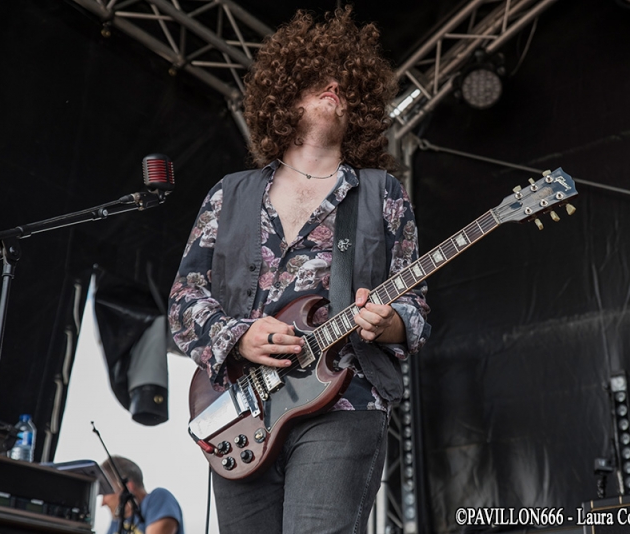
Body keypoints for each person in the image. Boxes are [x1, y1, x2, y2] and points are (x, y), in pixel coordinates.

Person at [168, 6, 431, 533]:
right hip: (242, 414)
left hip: (345, 405)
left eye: (346, 85)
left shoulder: (382, 194)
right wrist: (238, 337)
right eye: (317, 80)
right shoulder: (228, 194)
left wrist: (388, 322)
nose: (335, 87)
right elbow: (183, 301)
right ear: (285, 95)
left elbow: (416, 311)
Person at [100, 456, 184, 534]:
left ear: (128, 487)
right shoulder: (116, 523)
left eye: (105, 493)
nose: (103, 503)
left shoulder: (158, 498)